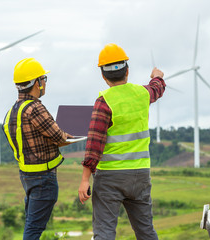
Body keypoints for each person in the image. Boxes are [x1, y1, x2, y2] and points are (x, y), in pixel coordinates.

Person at [78, 43, 166, 240]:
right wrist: (157, 76)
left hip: (110, 177)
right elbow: (157, 88)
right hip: (140, 175)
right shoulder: (142, 94)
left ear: (103, 75)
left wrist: (85, 179)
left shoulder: (104, 102)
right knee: (146, 232)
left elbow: (94, 145)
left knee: (105, 234)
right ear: (127, 71)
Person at [3, 58, 73, 240]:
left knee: (31, 224)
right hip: (44, 177)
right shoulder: (34, 108)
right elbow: (59, 137)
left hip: (27, 175)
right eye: (43, 79)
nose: (44, 83)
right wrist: (71, 136)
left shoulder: (13, 111)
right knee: (34, 229)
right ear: (36, 83)